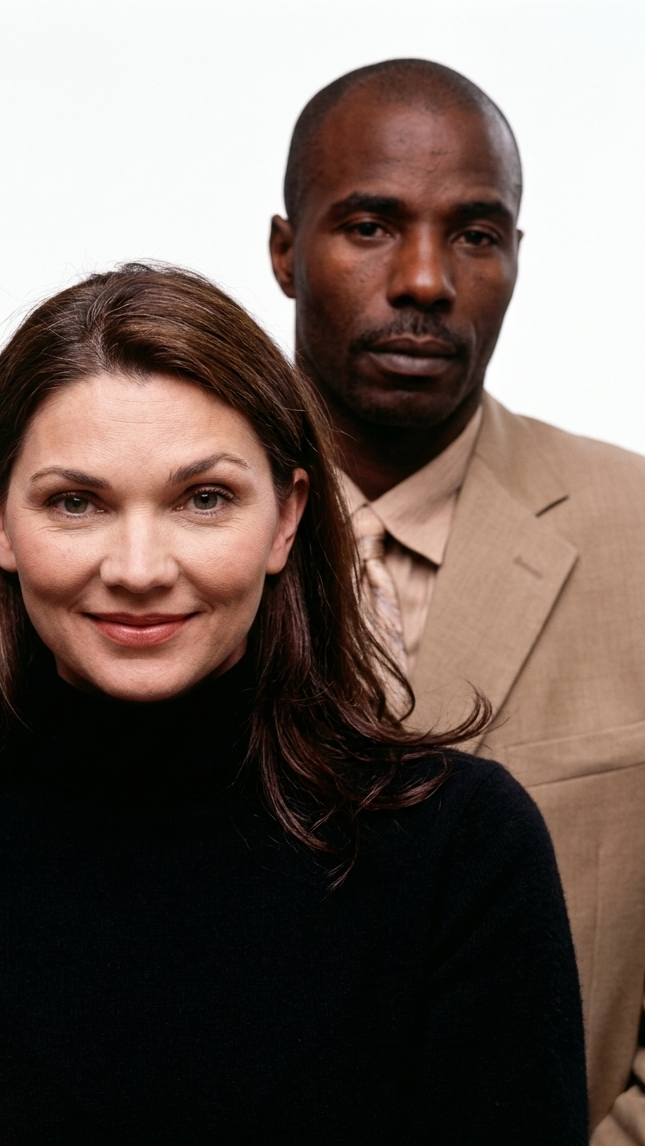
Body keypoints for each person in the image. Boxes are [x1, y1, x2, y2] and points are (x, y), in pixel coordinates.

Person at [0, 265, 586, 1146]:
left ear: (286, 516)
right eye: (75, 502)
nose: (138, 568)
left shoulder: (463, 846)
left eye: (204, 499)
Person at [268, 59, 645, 1143]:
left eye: (476, 234)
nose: (426, 279)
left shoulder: (632, 529)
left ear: (518, 257)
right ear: (286, 252)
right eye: (372, 225)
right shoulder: (152, 548)